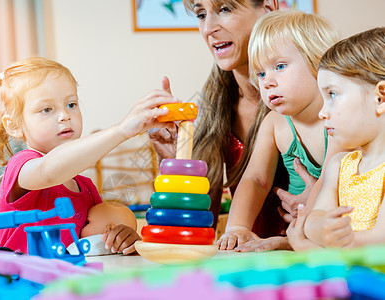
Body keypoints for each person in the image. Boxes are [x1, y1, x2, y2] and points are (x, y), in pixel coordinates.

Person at [150, 0, 315, 241]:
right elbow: (198, 229)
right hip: (248, 263)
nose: (208, 28)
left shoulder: (314, 101)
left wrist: (328, 195)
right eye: (200, 14)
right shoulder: (213, 111)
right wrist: (178, 165)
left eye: (224, 9)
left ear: (268, 8)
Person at [0, 57, 177, 254]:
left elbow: (91, 245)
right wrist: (121, 131)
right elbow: (49, 171)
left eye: (71, 104)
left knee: (118, 213)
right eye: (46, 109)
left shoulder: (86, 188)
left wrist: (121, 240)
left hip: (69, 279)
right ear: (14, 125)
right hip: (20, 281)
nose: (64, 115)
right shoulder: (21, 166)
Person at [217, 10, 341, 251]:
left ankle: (289, 242)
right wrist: (237, 227)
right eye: (261, 73)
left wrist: (304, 218)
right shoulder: (275, 123)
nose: (267, 81)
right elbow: (255, 179)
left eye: (280, 66)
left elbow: (329, 183)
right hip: (299, 232)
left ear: (318, 62)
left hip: (335, 228)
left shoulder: (337, 118)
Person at [288, 27, 385, 250]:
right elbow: (314, 218)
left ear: (380, 97)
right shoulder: (339, 166)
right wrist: (320, 227)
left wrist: (303, 244)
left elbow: (379, 240)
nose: (322, 112)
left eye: (332, 95)